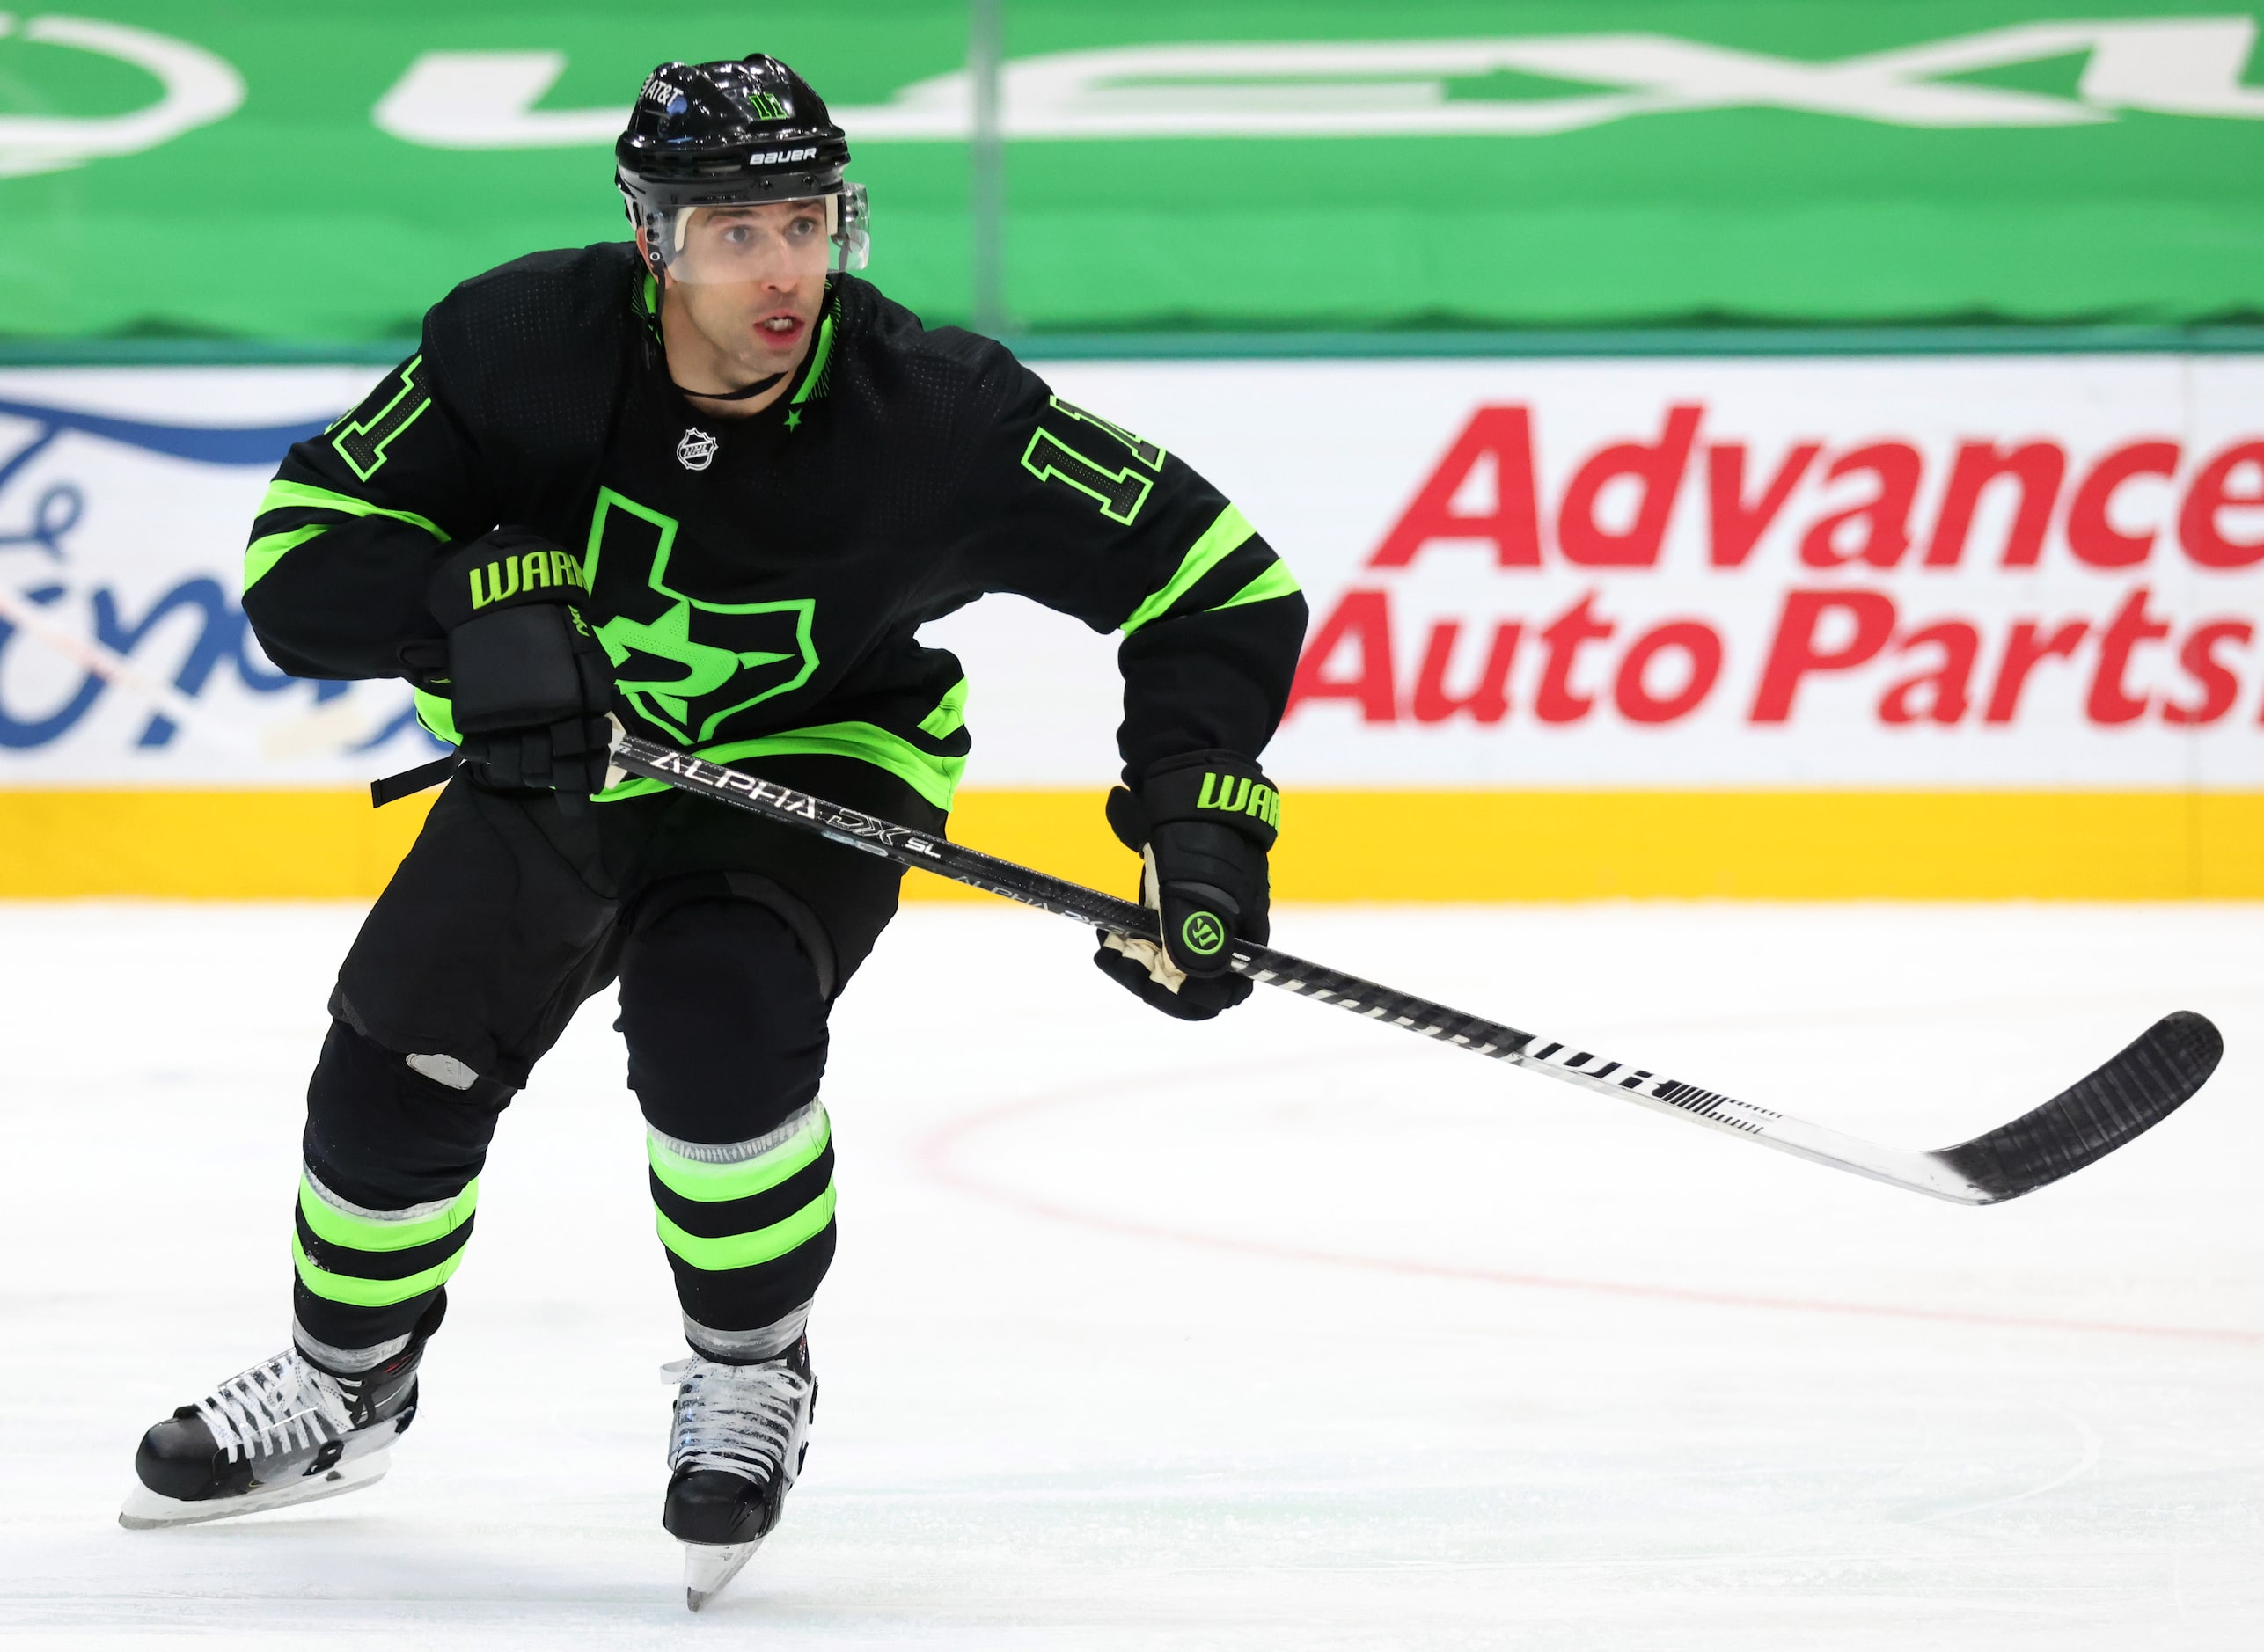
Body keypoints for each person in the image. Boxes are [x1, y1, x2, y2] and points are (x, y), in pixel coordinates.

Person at [119, 53, 1306, 1610]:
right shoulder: (516, 347)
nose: (783, 270)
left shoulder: (937, 413)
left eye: (806, 223)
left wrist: (1199, 820)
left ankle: (752, 1369)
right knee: (396, 1060)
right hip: (567, 769)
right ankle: (349, 1385)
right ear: (652, 237)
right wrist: (463, 601)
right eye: (736, 232)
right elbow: (299, 561)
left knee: (719, 1021)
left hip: (818, 764)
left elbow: (1213, 577)